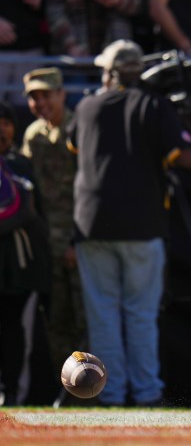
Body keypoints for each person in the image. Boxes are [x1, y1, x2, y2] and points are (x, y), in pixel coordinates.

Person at [67, 39, 191, 406]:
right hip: (140, 224)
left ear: (108, 72)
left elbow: (74, 147)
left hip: (91, 225)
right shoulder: (152, 105)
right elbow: (183, 157)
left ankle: (109, 395)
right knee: (139, 313)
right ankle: (147, 393)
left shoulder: (87, 106)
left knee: (103, 315)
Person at [20, 67, 84, 380]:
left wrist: (76, 241)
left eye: (47, 95)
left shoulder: (79, 129)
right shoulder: (33, 135)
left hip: (81, 242)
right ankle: (71, 387)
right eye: (34, 97)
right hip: (48, 244)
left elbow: (89, 190)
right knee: (56, 320)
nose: (40, 102)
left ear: (62, 94)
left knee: (86, 318)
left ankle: (95, 390)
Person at [0, 101, 51, 406]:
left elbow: (34, 214)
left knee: (12, 328)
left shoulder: (22, 166)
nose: (2, 129)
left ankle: (12, 395)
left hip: (16, 268)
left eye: (6, 122)